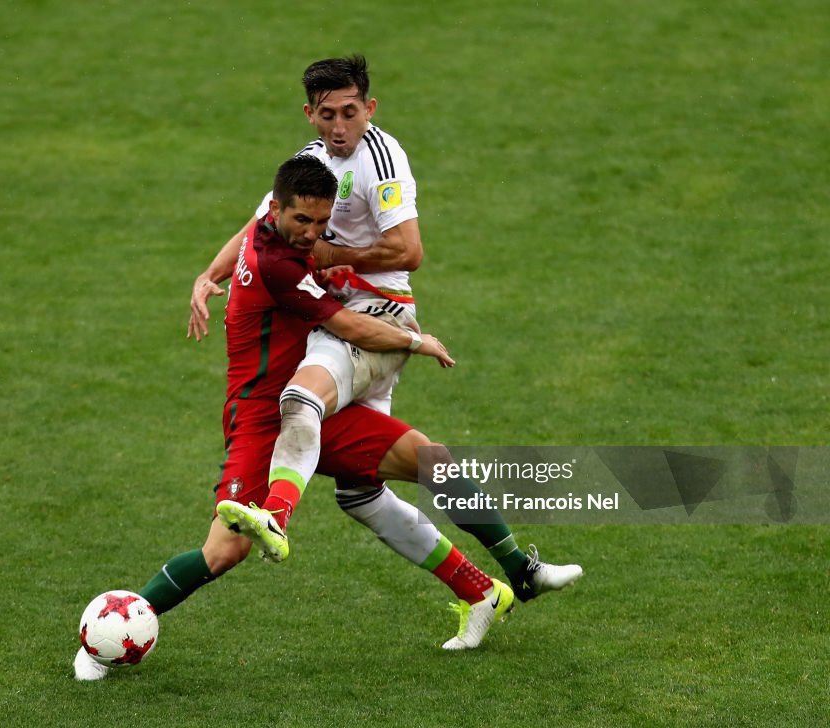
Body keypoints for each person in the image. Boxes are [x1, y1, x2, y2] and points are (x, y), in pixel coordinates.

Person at [73, 157, 509, 681]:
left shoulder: (269, 235)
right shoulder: (276, 265)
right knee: (226, 548)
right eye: (302, 222)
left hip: (307, 405)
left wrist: (210, 275)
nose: (312, 234)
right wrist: (416, 341)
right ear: (275, 208)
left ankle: (487, 588)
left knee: (429, 459)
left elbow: (297, 262)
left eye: (322, 224)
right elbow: (351, 325)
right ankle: (112, 633)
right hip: (260, 417)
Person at [193, 55, 582, 600]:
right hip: (339, 325)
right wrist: (210, 276)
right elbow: (261, 223)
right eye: (328, 114)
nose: (339, 127)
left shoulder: (382, 157)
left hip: (372, 318)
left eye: (350, 112)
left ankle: (275, 517)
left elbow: (409, 250)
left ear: (369, 108)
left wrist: (332, 254)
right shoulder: (308, 163)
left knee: (300, 400)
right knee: (375, 487)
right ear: (310, 114)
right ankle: (505, 577)